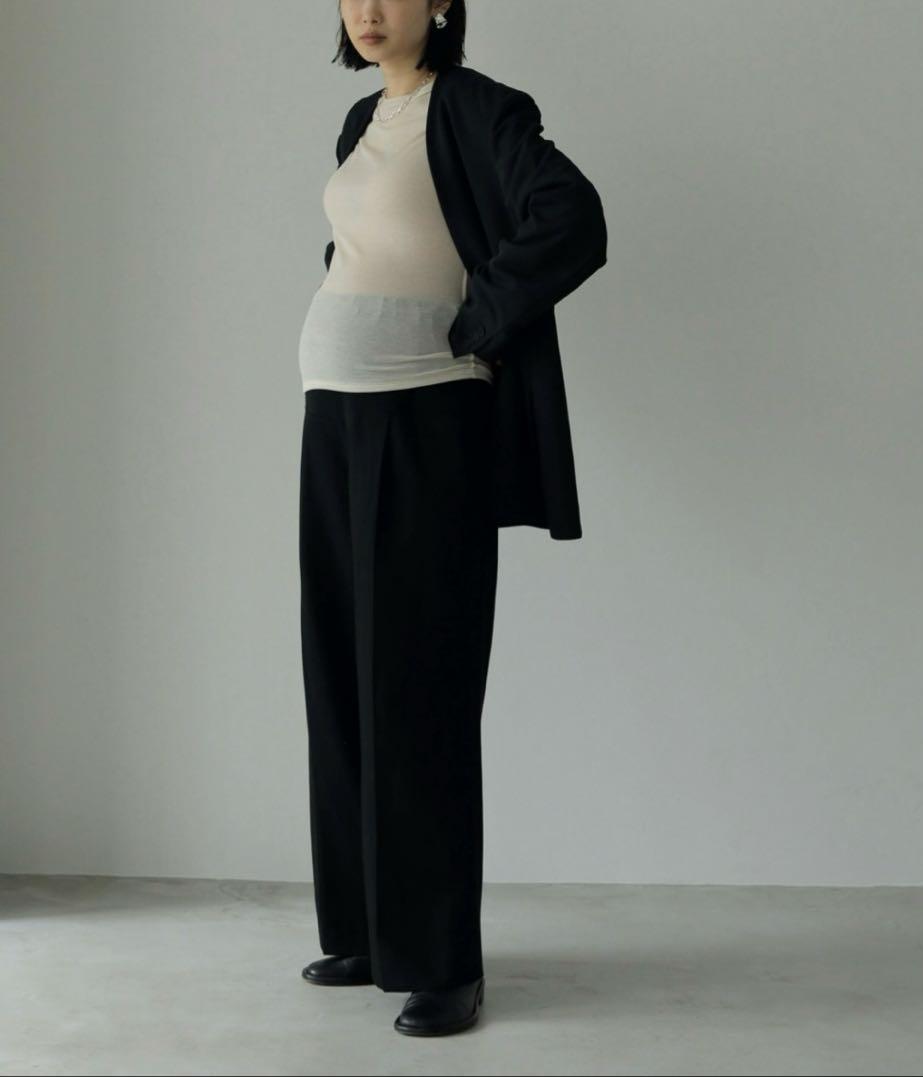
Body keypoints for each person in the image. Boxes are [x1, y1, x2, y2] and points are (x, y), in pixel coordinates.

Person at [296, 0, 607, 1037]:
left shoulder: (476, 108)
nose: (368, 9)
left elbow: (572, 217)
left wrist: (477, 319)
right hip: (335, 421)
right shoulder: (360, 121)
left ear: (440, 2)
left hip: (425, 422)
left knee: (418, 685)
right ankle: (368, 930)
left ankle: (440, 961)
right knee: (342, 676)